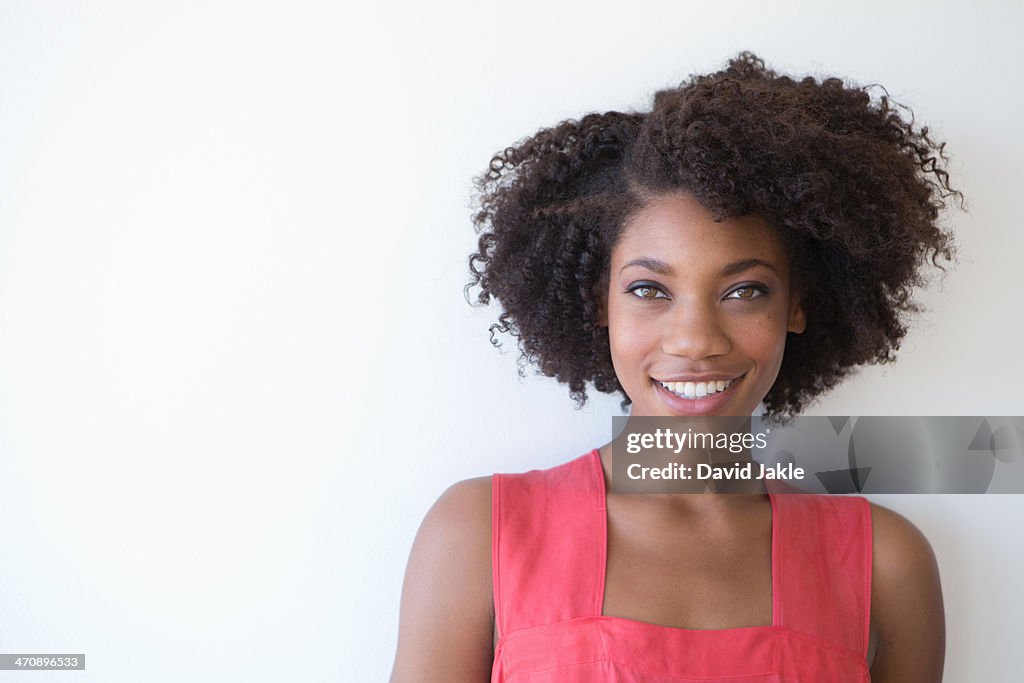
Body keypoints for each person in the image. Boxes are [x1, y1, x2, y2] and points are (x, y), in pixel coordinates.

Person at [389, 52, 957, 682]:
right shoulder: (477, 535)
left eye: (745, 291)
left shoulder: (887, 562)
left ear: (797, 305)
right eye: (648, 290)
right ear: (597, 302)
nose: (695, 340)